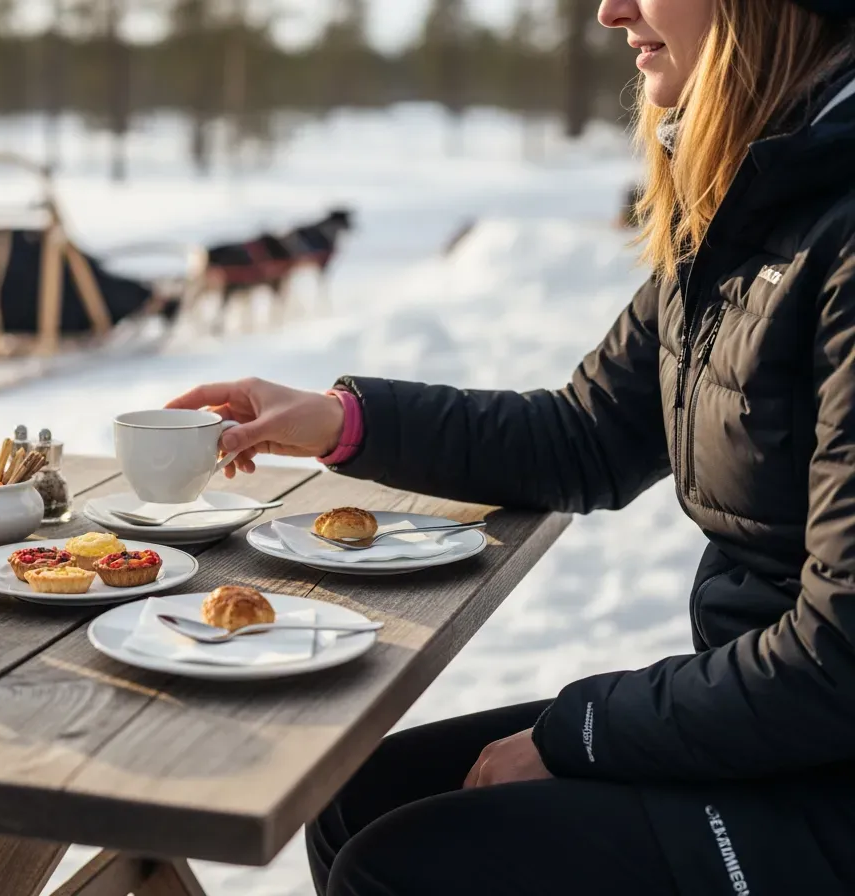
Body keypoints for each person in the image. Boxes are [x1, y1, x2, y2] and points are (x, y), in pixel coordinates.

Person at [165, 0, 855, 892]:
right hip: (774, 727)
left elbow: (841, 660)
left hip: (824, 778)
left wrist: (583, 733)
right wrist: (341, 419)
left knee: (404, 868)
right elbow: (588, 434)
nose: (611, 10)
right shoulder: (756, 197)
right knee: (358, 797)